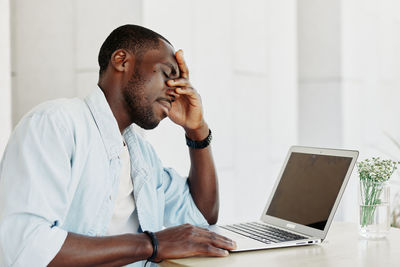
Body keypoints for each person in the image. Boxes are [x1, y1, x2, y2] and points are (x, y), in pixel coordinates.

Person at [0, 24, 236, 266]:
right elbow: (26, 247)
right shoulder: (54, 125)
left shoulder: (142, 156)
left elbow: (201, 216)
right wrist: (152, 244)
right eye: (167, 74)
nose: (174, 92)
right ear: (122, 61)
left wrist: (197, 131)